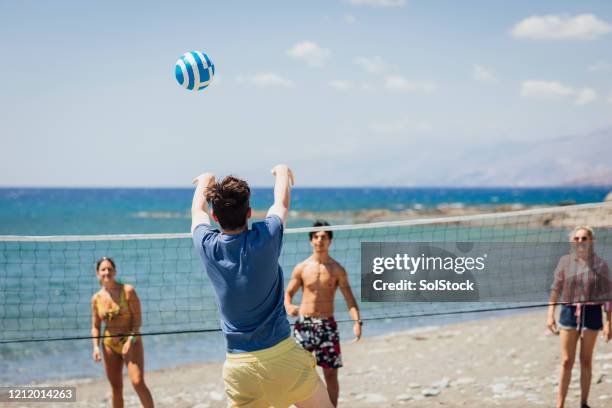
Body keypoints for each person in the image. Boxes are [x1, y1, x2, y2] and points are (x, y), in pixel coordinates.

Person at [191, 165, 333, 408]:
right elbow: (281, 204)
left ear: (216, 217)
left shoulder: (207, 245)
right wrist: (281, 172)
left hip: (240, 368)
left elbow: (197, 211)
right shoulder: (266, 235)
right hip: (283, 358)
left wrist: (206, 180)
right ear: (249, 212)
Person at [285, 220, 362, 407]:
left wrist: (357, 321)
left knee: (331, 374)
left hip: (327, 325)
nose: (320, 240)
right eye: (316, 237)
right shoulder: (302, 268)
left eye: (324, 237)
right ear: (311, 240)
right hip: (304, 325)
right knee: (298, 372)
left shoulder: (337, 270)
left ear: (330, 241)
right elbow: (287, 294)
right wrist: (288, 307)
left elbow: (350, 300)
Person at [547, 226, 612, 408]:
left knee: (586, 360)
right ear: (572, 241)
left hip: (592, 313)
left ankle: (584, 403)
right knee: (567, 361)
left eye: (584, 238)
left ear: (591, 241)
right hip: (569, 312)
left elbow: (608, 296)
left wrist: (609, 322)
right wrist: (550, 315)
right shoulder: (565, 262)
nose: (580, 241)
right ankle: (560, 404)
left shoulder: (601, 265)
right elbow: (555, 289)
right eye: (577, 238)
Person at [91, 257, 154, 408]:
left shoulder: (128, 291)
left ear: (115, 271)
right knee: (116, 388)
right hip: (109, 344)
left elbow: (138, 321)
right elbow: (95, 326)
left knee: (138, 382)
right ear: (97, 274)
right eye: (103, 269)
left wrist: (130, 339)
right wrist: (95, 347)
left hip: (131, 340)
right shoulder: (96, 298)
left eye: (110, 269)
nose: (107, 272)